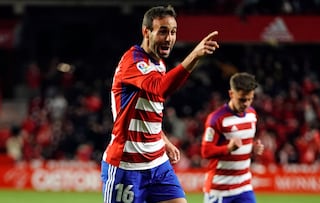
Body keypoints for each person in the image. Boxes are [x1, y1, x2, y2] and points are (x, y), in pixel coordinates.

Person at [101, 5, 219, 203]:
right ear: (146, 32)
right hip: (127, 166)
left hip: (158, 163)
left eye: (173, 32)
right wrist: (194, 56)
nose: (169, 38)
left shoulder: (159, 64)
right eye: (163, 31)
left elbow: (150, 111)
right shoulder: (132, 62)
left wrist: (163, 140)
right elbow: (158, 88)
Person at [201, 72, 264, 203]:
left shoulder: (252, 114)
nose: (246, 104)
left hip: (244, 185)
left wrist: (252, 148)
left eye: (250, 99)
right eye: (242, 99)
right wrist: (228, 148)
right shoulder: (216, 119)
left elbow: (244, 142)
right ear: (231, 94)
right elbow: (205, 152)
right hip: (219, 189)